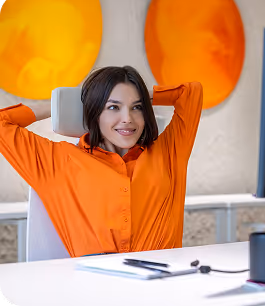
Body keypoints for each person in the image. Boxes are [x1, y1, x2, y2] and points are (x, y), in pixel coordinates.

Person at [0, 66, 203, 257]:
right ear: (94, 112)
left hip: (165, 283)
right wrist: (62, 104)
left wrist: (142, 92)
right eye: (113, 107)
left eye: (137, 107)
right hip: (96, 286)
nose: (128, 118)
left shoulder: (168, 152)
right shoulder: (58, 161)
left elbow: (190, 93)